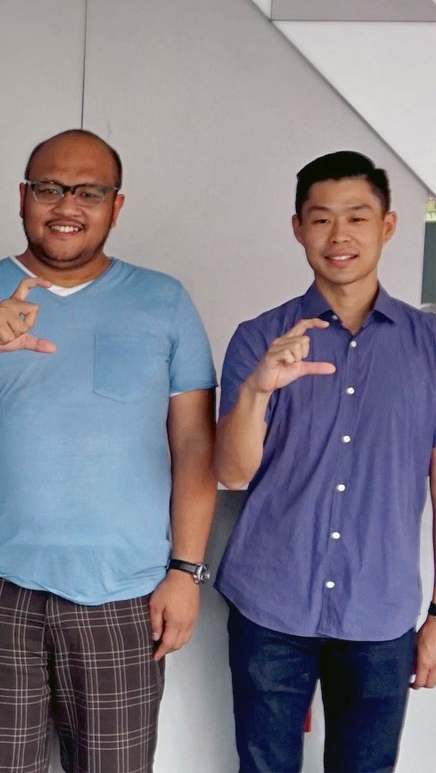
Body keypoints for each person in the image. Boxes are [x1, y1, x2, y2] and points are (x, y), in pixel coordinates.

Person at [0, 129, 218, 773]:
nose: (67, 205)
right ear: (23, 197)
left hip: (125, 598)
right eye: (49, 188)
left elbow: (193, 445)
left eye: (88, 192)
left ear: (116, 206)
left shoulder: (166, 301)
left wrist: (185, 572)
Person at [214, 151, 436, 772]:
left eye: (357, 218)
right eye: (321, 219)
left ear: (387, 226)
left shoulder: (429, 347)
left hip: (380, 608)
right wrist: (258, 390)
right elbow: (232, 472)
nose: (339, 236)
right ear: (298, 228)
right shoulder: (260, 337)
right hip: (270, 602)